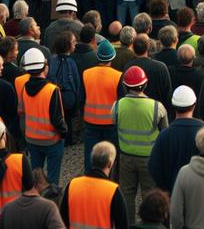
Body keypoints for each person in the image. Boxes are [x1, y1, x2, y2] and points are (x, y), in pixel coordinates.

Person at [112, 65, 168, 224]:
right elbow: (164, 132)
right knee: (149, 194)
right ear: (145, 84)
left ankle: (128, 224)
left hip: (126, 157)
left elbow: (114, 123)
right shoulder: (157, 107)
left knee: (127, 194)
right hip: (149, 159)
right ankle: (149, 224)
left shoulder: (117, 106)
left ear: (125, 85)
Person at [19, 47, 68, 186]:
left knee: (36, 179)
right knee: (52, 180)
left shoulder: (24, 88)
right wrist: (64, 133)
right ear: (44, 67)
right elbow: (57, 119)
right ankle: (51, 204)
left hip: (32, 140)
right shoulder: (52, 90)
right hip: (51, 140)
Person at [60, 141, 130, 229]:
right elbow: (123, 225)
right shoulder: (113, 190)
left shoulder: (72, 184)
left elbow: (62, 219)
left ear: (92, 160)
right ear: (110, 164)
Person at [148, 85, 204, 193]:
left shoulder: (164, 135)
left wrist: (165, 188)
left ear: (173, 106)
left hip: (173, 193)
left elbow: (153, 167)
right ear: (194, 105)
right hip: (198, 193)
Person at [81, 40, 121, 170]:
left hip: (90, 123)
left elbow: (81, 98)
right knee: (111, 158)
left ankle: (90, 180)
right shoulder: (118, 76)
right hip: (111, 124)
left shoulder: (86, 74)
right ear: (113, 57)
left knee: (90, 157)